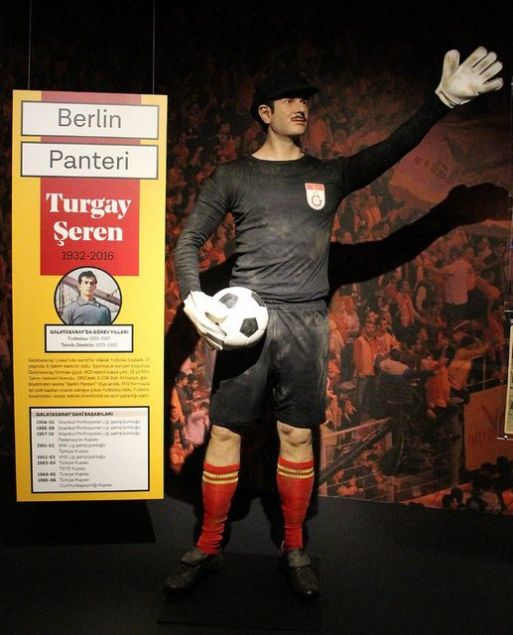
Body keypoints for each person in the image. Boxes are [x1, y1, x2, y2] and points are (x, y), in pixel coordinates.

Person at [167, 48, 502, 598]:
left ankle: (295, 545)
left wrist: (440, 102)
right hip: (247, 323)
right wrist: (194, 297)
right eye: (289, 99)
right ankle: (206, 545)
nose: (301, 106)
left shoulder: (328, 174)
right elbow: (188, 242)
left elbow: (389, 153)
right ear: (264, 113)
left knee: (297, 434)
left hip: (305, 323)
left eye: (305, 99)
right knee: (225, 432)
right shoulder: (233, 176)